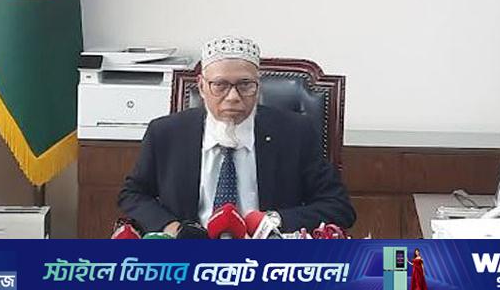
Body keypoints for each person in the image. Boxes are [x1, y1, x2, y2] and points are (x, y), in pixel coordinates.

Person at [118, 36, 356, 236]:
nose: (233, 97)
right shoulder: (166, 133)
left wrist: (273, 220)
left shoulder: (294, 133)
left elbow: (338, 207)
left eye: (245, 85)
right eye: (220, 85)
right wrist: (172, 228)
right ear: (202, 87)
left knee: (378, 272)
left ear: (258, 86)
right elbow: (133, 194)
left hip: (267, 258)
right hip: (191, 254)